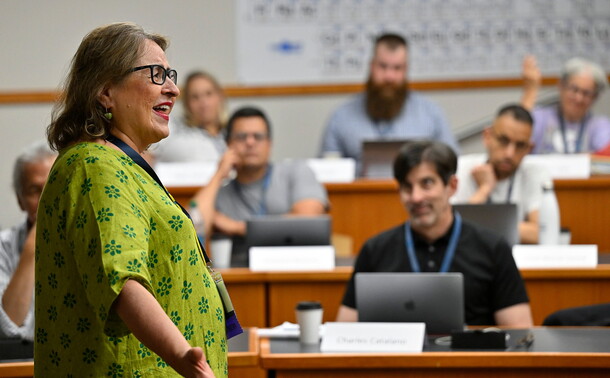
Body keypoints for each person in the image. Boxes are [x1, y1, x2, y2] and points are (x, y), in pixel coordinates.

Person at [37, 22, 230, 377]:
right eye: (156, 74)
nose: (173, 89)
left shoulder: (120, 164)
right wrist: (185, 357)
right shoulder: (94, 166)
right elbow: (122, 280)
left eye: (170, 75)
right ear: (104, 91)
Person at [336, 140, 532, 327]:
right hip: (398, 360)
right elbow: (345, 329)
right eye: (407, 187)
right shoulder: (376, 250)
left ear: (452, 186)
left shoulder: (492, 248)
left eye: (426, 183)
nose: (416, 197)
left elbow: (519, 331)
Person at [320, 33, 458, 174]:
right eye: (383, 66)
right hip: (360, 195)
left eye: (397, 68)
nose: (389, 76)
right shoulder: (340, 117)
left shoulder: (431, 114)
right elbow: (327, 174)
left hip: (418, 195)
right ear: (372, 66)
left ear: (406, 69)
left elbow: (450, 167)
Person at [213, 106, 328, 264]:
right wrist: (218, 174)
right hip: (243, 275)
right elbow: (195, 224)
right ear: (228, 145)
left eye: (258, 136)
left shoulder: (296, 172)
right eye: (241, 137)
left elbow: (306, 221)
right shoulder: (220, 192)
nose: (250, 142)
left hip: (297, 267)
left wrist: (238, 227)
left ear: (269, 144)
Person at [452, 104, 551, 244]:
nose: (510, 153)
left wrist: (478, 224)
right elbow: (451, 228)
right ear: (487, 136)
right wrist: (484, 189)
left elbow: (539, 234)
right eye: (503, 141)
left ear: (529, 149)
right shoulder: (461, 167)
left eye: (520, 145)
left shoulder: (536, 173)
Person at [0, 141, 56, 341]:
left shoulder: (93, 238)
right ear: (20, 200)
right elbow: (9, 325)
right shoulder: (3, 246)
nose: (46, 199)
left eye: (54, 185)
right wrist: (33, 247)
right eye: (35, 190)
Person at [521, 56, 610, 154]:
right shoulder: (540, 117)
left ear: (595, 97)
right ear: (561, 86)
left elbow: (605, 159)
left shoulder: (599, 126)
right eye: (574, 89)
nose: (578, 98)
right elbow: (516, 135)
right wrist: (530, 92)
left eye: (586, 93)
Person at [153, 71, 227, 162]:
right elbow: (148, 155)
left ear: (219, 96)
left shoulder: (233, 133)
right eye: (195, 97)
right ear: (187, 103)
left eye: (208, 94)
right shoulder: (172, 128)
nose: (203, 103)